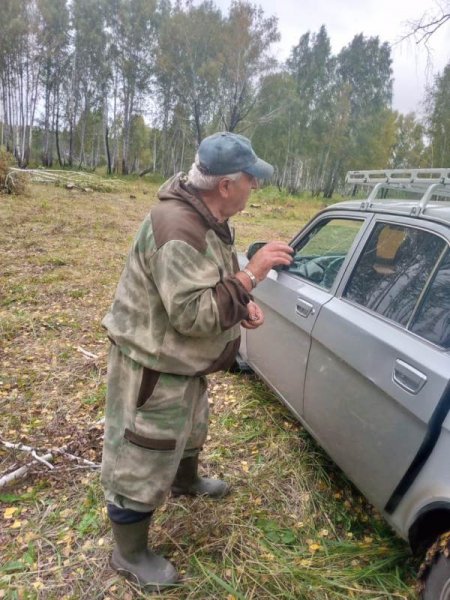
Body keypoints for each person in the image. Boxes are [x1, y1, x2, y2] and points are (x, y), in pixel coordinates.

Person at [100, 131, 293, 589]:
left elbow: (210, 281)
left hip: (182, 363)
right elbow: (191, 313)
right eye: (251, 179)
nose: (256, 186)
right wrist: (252, 273)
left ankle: (185, 482)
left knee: (189, 429)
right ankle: (129, 553)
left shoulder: (208, 214)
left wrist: (240, 300)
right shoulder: (179, 228)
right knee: (143, 452)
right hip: (155, 365)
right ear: (226, 184)